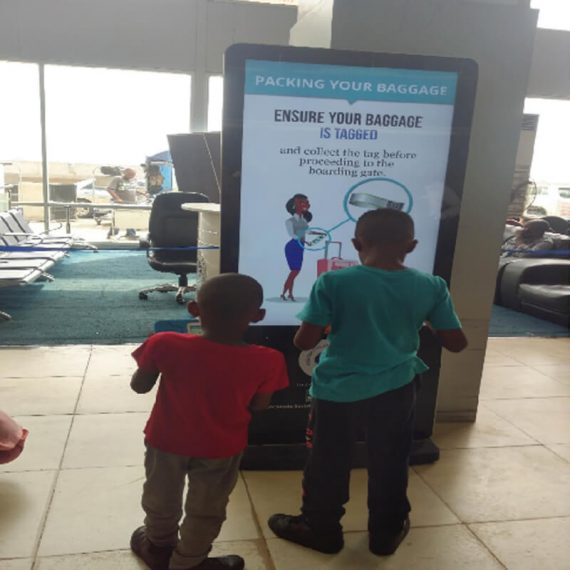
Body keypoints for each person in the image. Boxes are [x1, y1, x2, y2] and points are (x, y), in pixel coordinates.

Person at [268, 209, 467, 557]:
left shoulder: (333, 282)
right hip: (397, 388)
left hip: (337, 392)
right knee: (391, 460)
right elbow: (456, 343)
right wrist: (424, 320)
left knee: (327, 460)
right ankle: (386, 533)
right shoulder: (431, 285)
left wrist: (329, 324)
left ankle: (321, 529)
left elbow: (304, 341)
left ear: (357, 243)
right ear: (412, 245)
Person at [129, 273, 289, 570]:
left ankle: (157, 545)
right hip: (222, 447)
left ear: (194, 309)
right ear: (258, 316)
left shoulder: (164, 343)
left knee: (160, 495)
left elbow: (139, 386)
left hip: (166, 440)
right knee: (207, 507)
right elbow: (260, 405)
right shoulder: (269, 359)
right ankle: (189, 561)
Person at [282, 193, 313, 302]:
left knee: (295, 272)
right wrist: (303, 239)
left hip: (300, 247)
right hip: (293, 247)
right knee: (294, 271)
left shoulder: (303, 220)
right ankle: (285, 293)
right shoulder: (289, 221)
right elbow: (292, 235)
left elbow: (308, 231)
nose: (306, 204)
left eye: (306, 202)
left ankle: (289, 294)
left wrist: (319, 233)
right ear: (294, 205)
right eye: (301, 202)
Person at [106, 167, 139, 239]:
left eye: (133, 175)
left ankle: (131, 234)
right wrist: (117, 198)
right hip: (121, 204)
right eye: (130, 174)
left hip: (131, 203)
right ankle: (112, 234)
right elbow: (109, 189)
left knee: (131, 218)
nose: (132, 176)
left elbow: (132, 190)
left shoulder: (132, 180)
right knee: (118, 219)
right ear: (125, 173)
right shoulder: (118, 179)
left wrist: (142, 193)